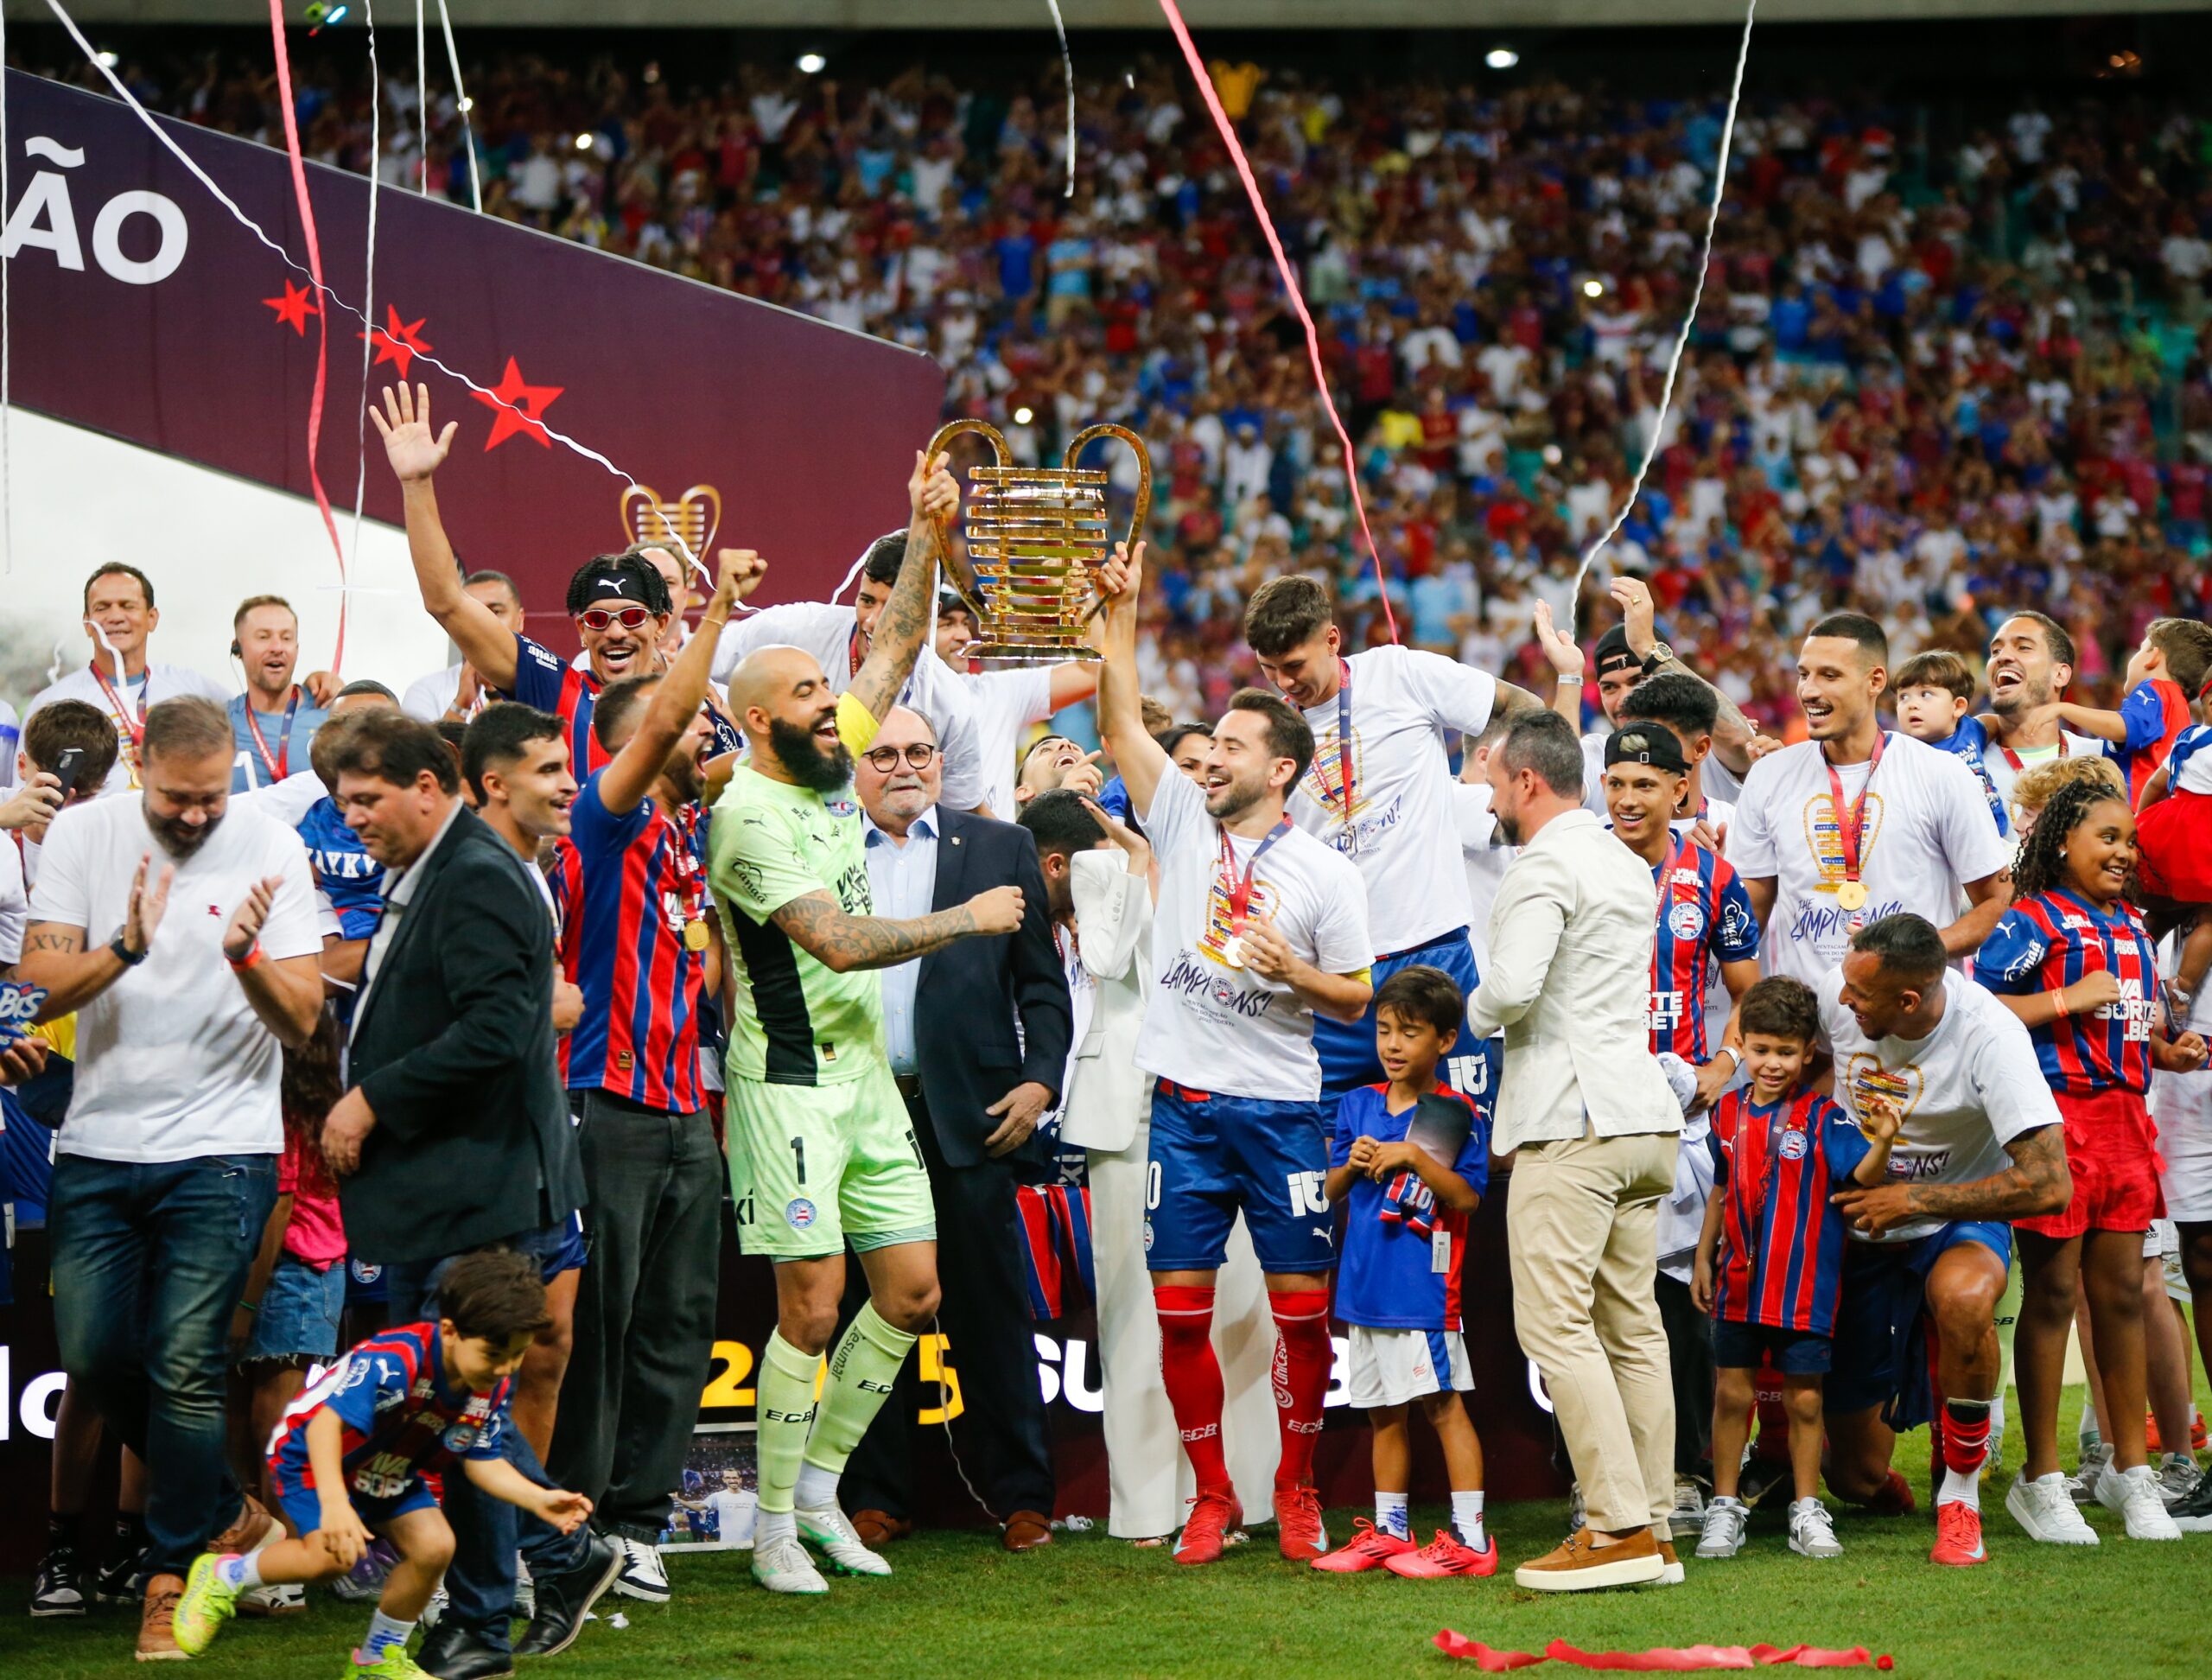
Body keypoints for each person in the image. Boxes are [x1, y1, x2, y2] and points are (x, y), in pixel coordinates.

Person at [707, 450, 1021, 1597]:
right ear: (754, 719)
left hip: (863, 1084)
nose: (833, 712)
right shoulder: (748, 817)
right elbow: (838, 945)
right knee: (812, 1305)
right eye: (805, 700)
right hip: (785, 1080)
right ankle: (775, 1523)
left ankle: (825, 1488)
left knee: (913, 1293)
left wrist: (925, 530)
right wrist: (965, 918)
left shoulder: (825, 760)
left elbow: (891, 648)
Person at [18, 694, 324, 1658]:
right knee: (99, 1358)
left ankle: (173, 1574)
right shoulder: (79, 833)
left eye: (208, 799)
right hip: (100, 1142)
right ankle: (236, 1517)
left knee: (186, 1367)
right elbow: (35, 984)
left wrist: (245, 960)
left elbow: (304, 1020)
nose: (194, 816)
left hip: (224, 1146)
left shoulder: (273, 844)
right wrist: (124, 951)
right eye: (176, 798)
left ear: (229, 771)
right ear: (141, 762)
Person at [1096, 544, 1374, 1567]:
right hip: (1183, 1109)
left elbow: (1362, 993)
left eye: (1230, 747)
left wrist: (1297, 975)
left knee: (1303, 1323)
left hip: (1282, 1112)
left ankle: (1293, 1491)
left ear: (1281, 769)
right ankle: (1211, 1495)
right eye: (1206, 746)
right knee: (1180, 1319)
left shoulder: (1323, 874)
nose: (1207, 759)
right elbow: (1122, 719)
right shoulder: (1175, 817)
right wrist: (1117, 615)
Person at [319, 709, 612, 1677]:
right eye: (341, 801)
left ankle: (515, 1597)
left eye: (366, 799)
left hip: (478, 1189)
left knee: (460, 1408)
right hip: (445, 1188)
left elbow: (498, 1032)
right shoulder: (440, 869)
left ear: (430, 786)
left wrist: (369, 1098)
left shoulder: (477, 876)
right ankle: (523, 1590)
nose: (351, 817)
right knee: (450, 1415)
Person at [548, 547, 761, 1603]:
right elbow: (670, 720)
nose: (676, 740)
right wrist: (713, 614)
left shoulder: (684, 834)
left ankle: (636, 1524)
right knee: (600, 1328)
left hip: (688, 1107)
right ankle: (572, 1521)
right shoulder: (605, 814)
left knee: (678, 1327)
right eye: (656, 733)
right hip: (607, 1103)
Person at [840, 703, 1071, 1550]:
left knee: (990, 1311)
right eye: (885, 754)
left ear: (942, 762)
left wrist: (1040, 1083)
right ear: (856, 768)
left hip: (975, 1117)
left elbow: (1043, 988)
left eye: (921, 752)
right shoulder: (823, 853)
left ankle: (1023, 1498)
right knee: (868, 1312)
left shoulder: (1000, 846)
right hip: (859, 1114)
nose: (905, 767)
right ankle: (873, 1496)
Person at [1467, 709, 1685, 1593]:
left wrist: (1468, 1012)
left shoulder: (1542, 863)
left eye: (1489, 781)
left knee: (1554, 1324)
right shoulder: (1622, 860)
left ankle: (1616, 1526)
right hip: (1642, 1122)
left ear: (1525, 782)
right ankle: (1657, 1523)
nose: (1486, 796)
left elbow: (1512, 992)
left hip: (1573, 1122)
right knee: (1631, 1329)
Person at [1029, 786, 1282, 1543]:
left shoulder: (1255, 876)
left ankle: (1246, 1496)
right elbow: (1106, 957)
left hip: (1228, 1105)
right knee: (1136, 1315)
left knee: (1241, 1309)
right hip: (1131, 1113)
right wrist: (1137, 866)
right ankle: (1147, 1506)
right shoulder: (1113, 867)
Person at [174, 1250, 593, 1679]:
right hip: (313, 1458)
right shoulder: (396, 1361)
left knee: (435, 1547)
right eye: (494, 1353)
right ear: (449, 1332)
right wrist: (336, 1506)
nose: (505, 1367)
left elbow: (482, 1463)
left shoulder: (488, 1383)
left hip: (388, 1466)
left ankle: (378, 1660)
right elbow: (323, 1428)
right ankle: (225, 1575)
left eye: (517, 1355)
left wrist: (538, 1498)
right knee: (332, 1557)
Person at [1974, 780, 2203, 1543]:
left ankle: (2130, 1471)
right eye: (2107, 838)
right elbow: (1982, 1010)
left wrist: (2170, 1052)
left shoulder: (2132, 926)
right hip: (2054, 1123)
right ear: (2062, 842)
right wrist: (2067, 999)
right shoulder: (2032, 919)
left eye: (2129, 841)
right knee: (2051, 1294)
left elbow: (2129, 1023)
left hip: (2128, 1123)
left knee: (2124, 1298)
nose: (2123, 853)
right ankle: (2040, 1479)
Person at [1243, 572, 1560, 1102]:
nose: (1284, 683)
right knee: (1339, 1151)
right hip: (1341, 974)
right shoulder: (1267, 728)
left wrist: (1513, 795)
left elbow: (1521, 706)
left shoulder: (1401, 672)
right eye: (1269, 669)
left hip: (1433, 949)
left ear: (1331, 640)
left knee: (1459, 1134)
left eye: (1294, 666)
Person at [1819, 914, 2072, 1568]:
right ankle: (1889, 1477)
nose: (1843, 1001)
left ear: (1909, 1001)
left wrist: (1914, 1198)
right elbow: (1789, 1047)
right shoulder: (1840, 994)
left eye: (1859, 995)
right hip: (1864, 1226)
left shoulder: (1990, 1035)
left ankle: (1960, 1500)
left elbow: (2049, 1183)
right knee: (1850, 1478)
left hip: (1955, 1216)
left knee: (1963, 1300)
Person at [372, 384, 734, 780]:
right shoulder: (557, 688)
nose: (615, 632)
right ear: (581, 630)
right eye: (598, 620)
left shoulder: (701, 712)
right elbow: (446, 602)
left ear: (660, 624)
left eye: (631, 617)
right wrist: (416, 484)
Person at [1691, 976, 1900, 1562]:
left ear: (1808, 1052)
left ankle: (1807, 1510)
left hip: (1804, 1288)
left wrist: (1883, 1140)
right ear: (1744, 1045)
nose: (1772, 1063)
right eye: (1760, 1050)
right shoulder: (1725, 1113)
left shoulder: (1824, 1117)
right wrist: (1704, 1257)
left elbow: (1862, 1177)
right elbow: (1721, 1188)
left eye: (1786, 1052)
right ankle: (1725, 1508)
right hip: (1736, 1284)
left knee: (1805, 1399)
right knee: (1732, 1394)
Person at [1312, 965, 1494, 1579]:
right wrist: (1354, 1163)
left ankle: (1470, 1538)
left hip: (1423, 1291)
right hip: (1364, 1288)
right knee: (1382, 1411)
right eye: (1385, 1030)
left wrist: (1414, 1155)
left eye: (1409, 1032)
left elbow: (1467, 1199)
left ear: (1444, 1041)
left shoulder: (1452, 1113)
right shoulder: (1357, 1104)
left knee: (1442, 1406)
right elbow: (1331, 1187)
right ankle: (1389, 1531)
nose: (1392, 1044)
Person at [1728, 613, 2012, 990]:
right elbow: (1753, 909)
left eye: (1829, 676)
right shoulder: (1769, 776)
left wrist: (1921, 952)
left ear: (1875, 681)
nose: (1809, 691)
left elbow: (1997, 898)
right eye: (1803, 674)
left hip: (1914, 1026)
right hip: (1806, 1033)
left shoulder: (1940, 773)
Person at [708, 529, 992, 812]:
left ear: (930, 612)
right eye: (867, 600)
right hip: (766, 816)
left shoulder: (951, 700)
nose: (872, 621)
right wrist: (711, 706)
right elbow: (690, 666)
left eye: (892, 608)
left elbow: (962, 810)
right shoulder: (793, 630)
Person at [1603, 723, 1760, 1109]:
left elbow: (1748, 994)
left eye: (1644, 785)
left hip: (1682, 1104)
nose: (1627, 800)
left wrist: (1723, 1067)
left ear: (1678, 791)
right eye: (1616, 784)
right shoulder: (1574, 864)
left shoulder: (1715, 876)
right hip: (1594, 1099)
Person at [22, 563, 229, 795]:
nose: (115, 616)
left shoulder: (195, 690)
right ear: (87, 623)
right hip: (95, 829)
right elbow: (25, 798)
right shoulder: (53, 703)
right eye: (102, 608)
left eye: (127, 606)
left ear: (152, 618)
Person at [2044, 616, 2212, 805]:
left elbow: (2125, 726)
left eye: (2141, 649)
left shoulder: (2157, 689)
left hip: (2132, 806)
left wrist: (2063, 708)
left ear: (2153, 657)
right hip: (2156, 809)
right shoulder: (2178, 707)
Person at [1979, 612, 2105, 819]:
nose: (2002, 657)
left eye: (2023, 647)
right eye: (1995, 650)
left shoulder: (2098, 761)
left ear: (2059, 675)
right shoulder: (1968, 764)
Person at [1891, 649, 2007, 836]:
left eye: (1926, 694)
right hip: (1949, 845)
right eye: (1903, 697)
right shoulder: (1905, 756)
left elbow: (2004, 724)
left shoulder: (1972, 729)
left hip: (1996, 833)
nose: (1911, 704)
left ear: (1958, 706)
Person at [227, 595, 330, 793]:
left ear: (297, 649)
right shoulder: (219, 725)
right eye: (263, 637)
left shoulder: (330, 713)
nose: (277, 647)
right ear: (237, 648)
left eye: (286, 638)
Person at [401, 570, 527, 725]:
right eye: (472, 613)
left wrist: (495, 695)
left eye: (495, 611)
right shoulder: (426, 691)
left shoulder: (549, 684)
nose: (484, 622)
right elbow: (421, 750)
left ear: (520, 619)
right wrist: (460, 706)